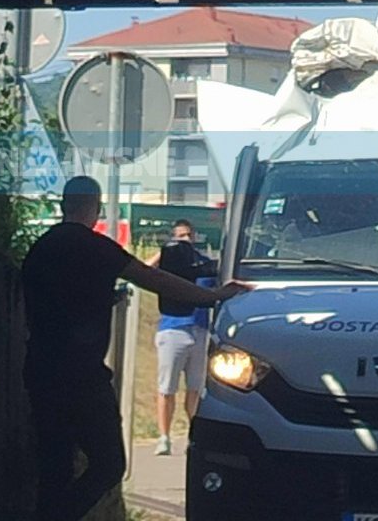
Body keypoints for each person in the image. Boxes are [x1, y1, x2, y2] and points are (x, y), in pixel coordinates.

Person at [21, 176, 250, 521]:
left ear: (63, 205)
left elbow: (57, 299)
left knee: (54, 464)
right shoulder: (97, 248)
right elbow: (153, 278)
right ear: (96, 207)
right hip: (83, 375)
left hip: (40, 369)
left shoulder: (41, 249)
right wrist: (212, 296)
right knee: (109, 464)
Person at [145, 219, 217, 456]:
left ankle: (193, 436)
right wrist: (165, 254)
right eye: (180, 237)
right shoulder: (168, 267)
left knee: (195, 388)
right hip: (172, 329)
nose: (185, 240)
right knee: (167, 387)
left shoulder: (202, 263)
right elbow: (144, 270)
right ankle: (164, 437)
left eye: (188, 235)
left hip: (199, 329)